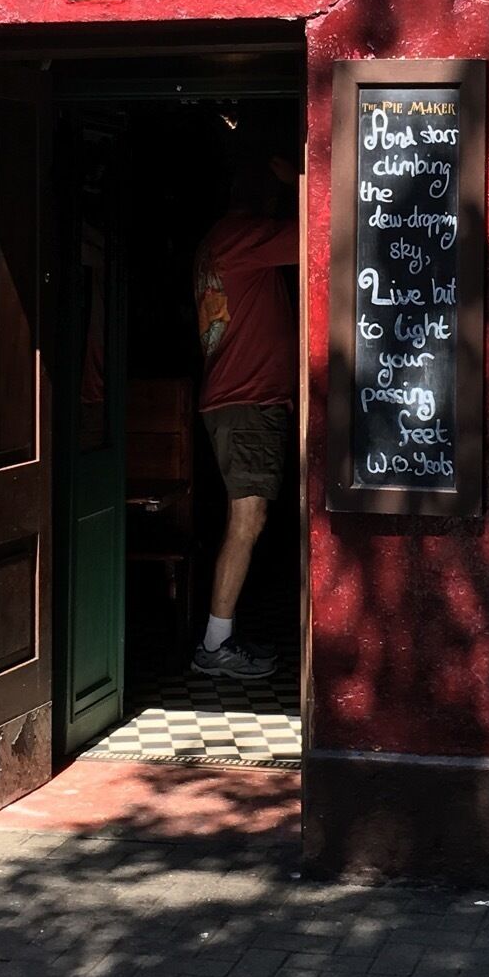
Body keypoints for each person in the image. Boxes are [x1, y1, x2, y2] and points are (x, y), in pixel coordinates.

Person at [190, 142, 299, 682]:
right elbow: (322, 232)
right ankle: (214, 644)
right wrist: (300, 177)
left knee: (246, 517)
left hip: (237, 399)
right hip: (247, 400)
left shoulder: (218, 240)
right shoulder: (246, 236)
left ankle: (220, 636)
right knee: (247, 518)